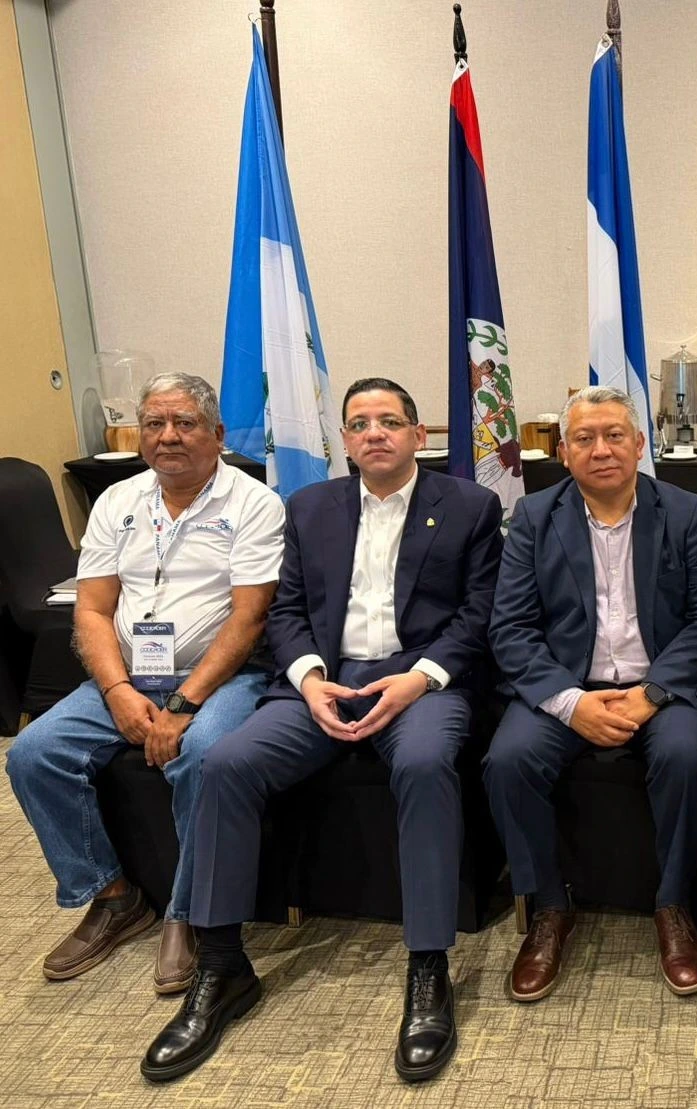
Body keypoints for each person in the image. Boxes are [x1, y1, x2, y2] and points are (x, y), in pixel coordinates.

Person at [141, 378, 503, 1085]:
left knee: (424, 762)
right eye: (359, 423)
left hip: (422, 681)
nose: (374, 433)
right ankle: (222, 966)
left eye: (389, 420)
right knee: (225, 763)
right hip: (323, 682)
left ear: (417, 433)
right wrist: (308, 678)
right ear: (345, 440)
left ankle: (428, 966)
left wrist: (419, 677)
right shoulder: (308, 508)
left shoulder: (469, 505)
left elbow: (479, 614)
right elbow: (286, 611)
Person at [7, 373, 283, 996]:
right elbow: (92, 610)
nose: (168, 436)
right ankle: (112, 896)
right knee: (33, 754)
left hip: (224, 676)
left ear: (217, 434)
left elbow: (250, 619)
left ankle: (188, 910)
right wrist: (117, 692)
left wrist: (184, 703)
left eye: (185, 423)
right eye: (155, 424)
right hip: (131, 677)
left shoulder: (254, 503)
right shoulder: (117, 502)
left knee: (203, 753)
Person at [484, 386, 697, 1002]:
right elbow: (510, 629)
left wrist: (654, 693)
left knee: (683, 756)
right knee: (508, 760)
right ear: (563, 452)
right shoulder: (534, 518)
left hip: (662, 686)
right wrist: (571, 703)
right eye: (585, 439)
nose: (602, 450)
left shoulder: (685, 511)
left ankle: (674, 905)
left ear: (639, 444)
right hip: (566, 687)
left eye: (615, 435)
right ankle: (548, 907)